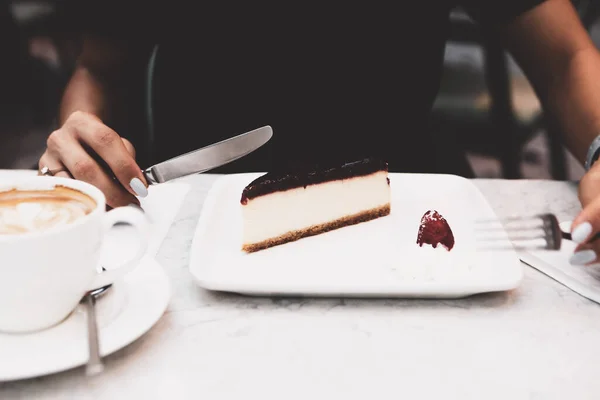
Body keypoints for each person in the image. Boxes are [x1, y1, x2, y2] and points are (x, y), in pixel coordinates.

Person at [39, 0, 600, 265]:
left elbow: (566, 56)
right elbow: (100, 71)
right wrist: (83, 149)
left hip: (405, 203)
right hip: (197, 225)